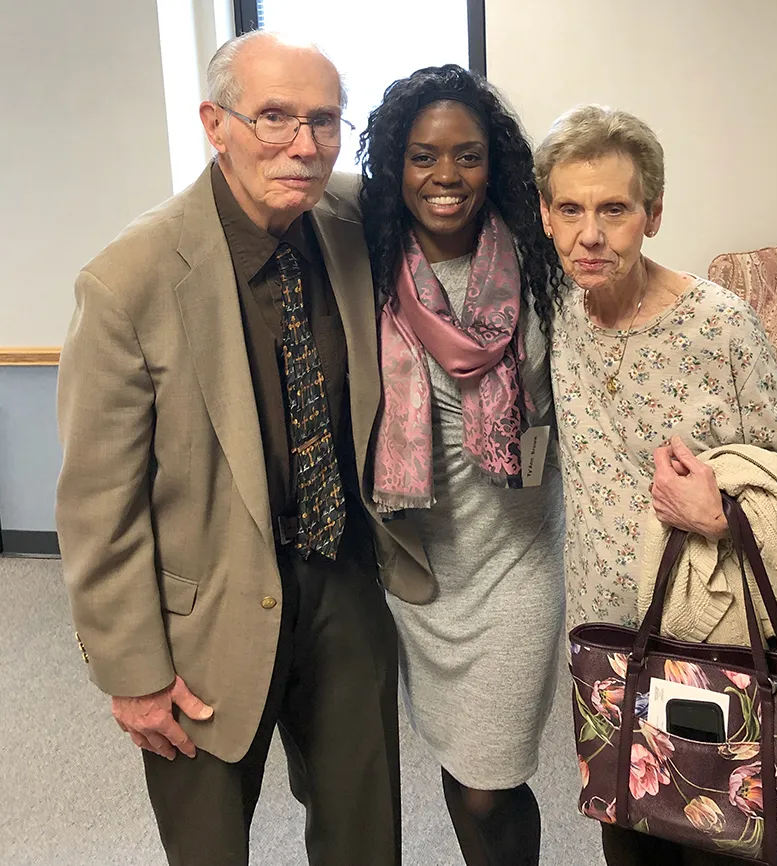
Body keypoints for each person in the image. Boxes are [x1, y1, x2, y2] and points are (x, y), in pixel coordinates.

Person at [55, 32, 400, 866]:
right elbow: (98, 502)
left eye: (324, 120)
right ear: (216, 123)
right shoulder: (129, 279)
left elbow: (456, 182)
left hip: (341, 581)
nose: (304, 145)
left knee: (365, 838)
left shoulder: (348, 226)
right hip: (203, 612)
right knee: (209, 846)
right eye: (274, 117)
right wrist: (131, 672)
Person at [534, 104, 777, 865]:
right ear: (545, 214)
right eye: (569, 208)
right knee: (629, 834)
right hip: (609, 642)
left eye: (614, 210)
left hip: (716, 641)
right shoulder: (557, 315)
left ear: (653, 215)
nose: (590, 234)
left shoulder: (719, 326)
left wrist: (723, 513)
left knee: (725, 839)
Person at [356, 64, 565, 866]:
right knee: (457, 759)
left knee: (492, 779)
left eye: (468, 155)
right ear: (395, 164)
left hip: (516, 561)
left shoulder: (539, 265)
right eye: (423, 156)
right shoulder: (368, 264)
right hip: (420, 572)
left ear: (497, 162)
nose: (446, 176)